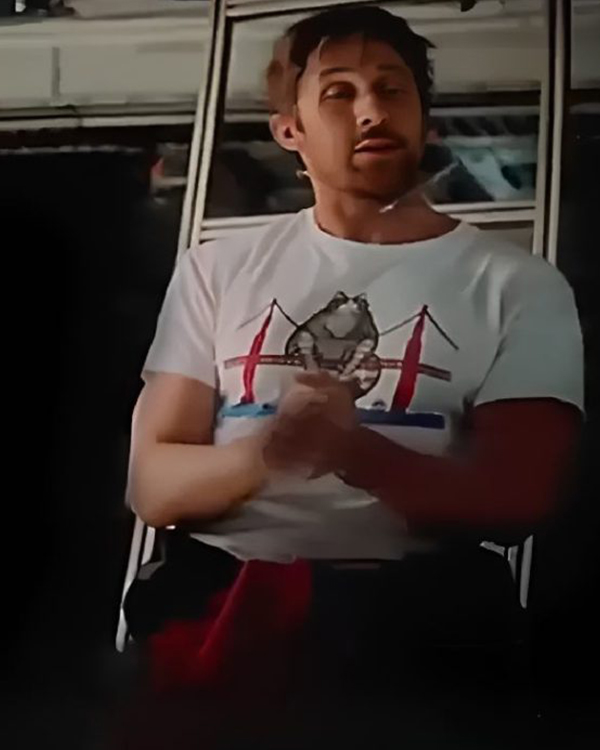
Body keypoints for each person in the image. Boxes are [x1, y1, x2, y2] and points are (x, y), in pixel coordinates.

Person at [123, 6, 583, 748]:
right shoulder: (217, 268)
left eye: (392, 89)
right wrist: (268, 452)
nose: (372, 110)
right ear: (290, 130)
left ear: (425, 119)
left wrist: (353, 452)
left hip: (417, 634)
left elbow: (518, 499)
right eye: (338, 92)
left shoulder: (517, 284)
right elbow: (153, 485)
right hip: (221, 607)